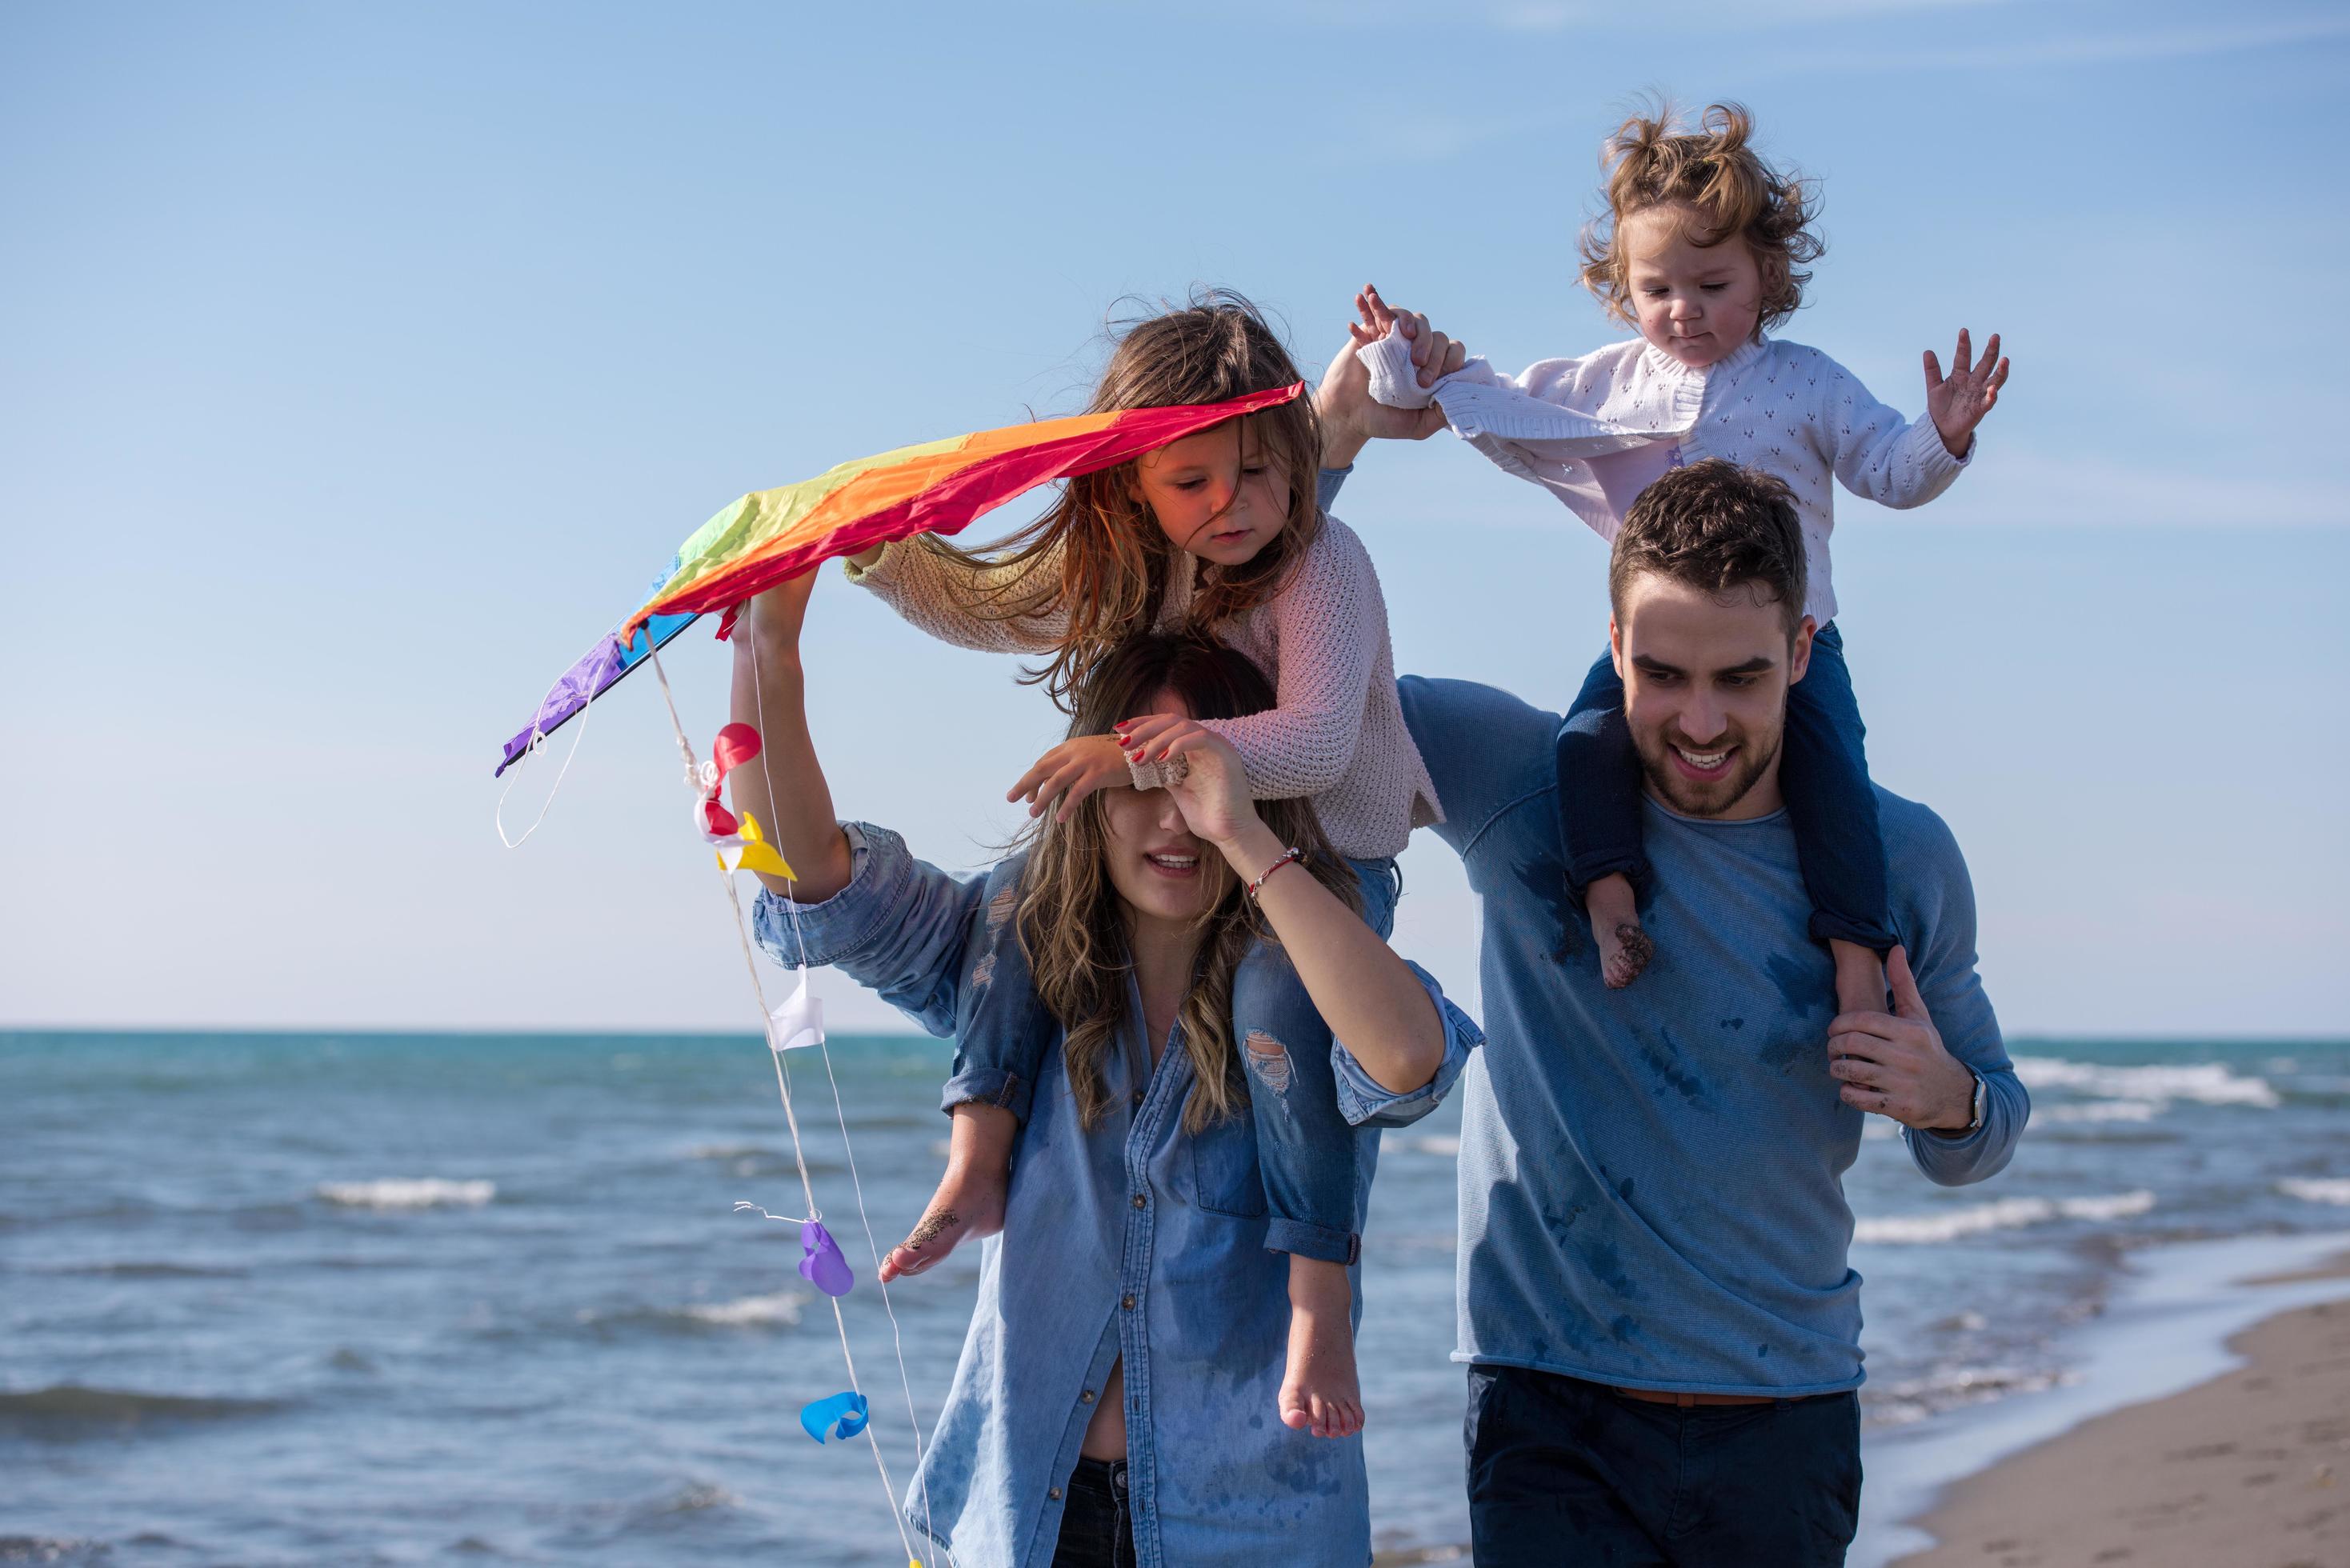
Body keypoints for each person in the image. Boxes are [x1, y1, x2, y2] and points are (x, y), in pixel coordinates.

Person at [1307, 428, 2028, 1562]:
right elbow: (1278, 656)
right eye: (1662, 675)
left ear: (1801, 650)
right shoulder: (1519, 784)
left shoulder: (1902, 857)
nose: (1698, 724)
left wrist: (1948, 1103)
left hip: (1782, 1415)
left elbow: (1982, 1136)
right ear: (1613, 646)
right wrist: (1338, 429)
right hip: (1547, 1405)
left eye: (1739, 678)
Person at [724, 566, 1480, 1567]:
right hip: (1027, 1516)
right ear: (1086, 789)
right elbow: (808, 874)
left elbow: (1407, 1055)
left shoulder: (1310, 986)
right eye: (1135, 779)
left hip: (1253, 1529)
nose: (1172, 819)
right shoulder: (1005, 961)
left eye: (1194, 778)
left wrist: (1245, 830)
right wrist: (767, 653)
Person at [839, 290, 1461, 1437]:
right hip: (1195, 835)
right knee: (1028, 890)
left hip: (1328, 856)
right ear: (1132, 482)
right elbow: (994, 611)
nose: (1234, 508)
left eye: (1264, 474)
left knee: (1280, 1000)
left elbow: (1320, 742)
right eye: (1192, 484)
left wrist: (1128, 761)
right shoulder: (1138, 561)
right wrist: (879, 558)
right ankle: (978, 1148)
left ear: (1294, 461)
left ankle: (1319, 1289)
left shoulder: (1321, 561)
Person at [1351, 101, 2012, 1024]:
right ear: (1623, 286)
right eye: (1657, 288)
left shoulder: (1806, 380)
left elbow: (1885, 470)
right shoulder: (1617, 379)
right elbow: (1490, 401)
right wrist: (1406, 355)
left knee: (1834, 782)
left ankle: (1857, 960)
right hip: (1653, 644)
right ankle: (1612, 900)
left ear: (1767, 276)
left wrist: (1938, 437)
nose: (1683, 311)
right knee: (1584, 744)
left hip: (1792, 648)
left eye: (1711, 285)